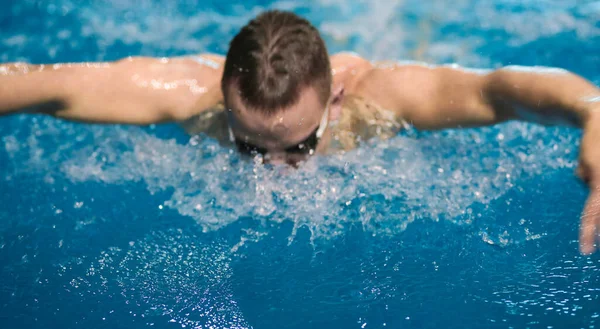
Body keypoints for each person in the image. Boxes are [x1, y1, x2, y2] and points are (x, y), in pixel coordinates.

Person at [1, 10, 599, 254]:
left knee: (412, 42)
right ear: (224, 103)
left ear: (333, 99)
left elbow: (498, 89)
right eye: (248, 146)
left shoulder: (374, 99)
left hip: (386, 66)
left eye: (301, 146)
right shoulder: (190, 93)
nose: (275, 170)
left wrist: (593, 109)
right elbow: (49, 84)